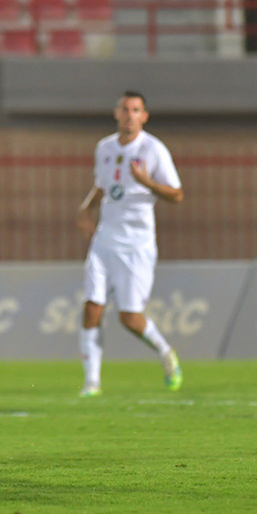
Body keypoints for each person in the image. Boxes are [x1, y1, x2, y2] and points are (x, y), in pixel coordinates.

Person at [76, 91, 184, 397]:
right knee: (92, 308)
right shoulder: (105, 147)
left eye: (136, 110)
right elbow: (102, 187)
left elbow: (177, 194)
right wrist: (85, 210)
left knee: (130, 318)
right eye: (125, 109)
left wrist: (147, 181)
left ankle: (165, 352)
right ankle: (92, 382)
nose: (130, 115)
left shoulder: (154, 149)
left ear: (144, 117)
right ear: (116, 113)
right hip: (105, 239)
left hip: (137, 243)